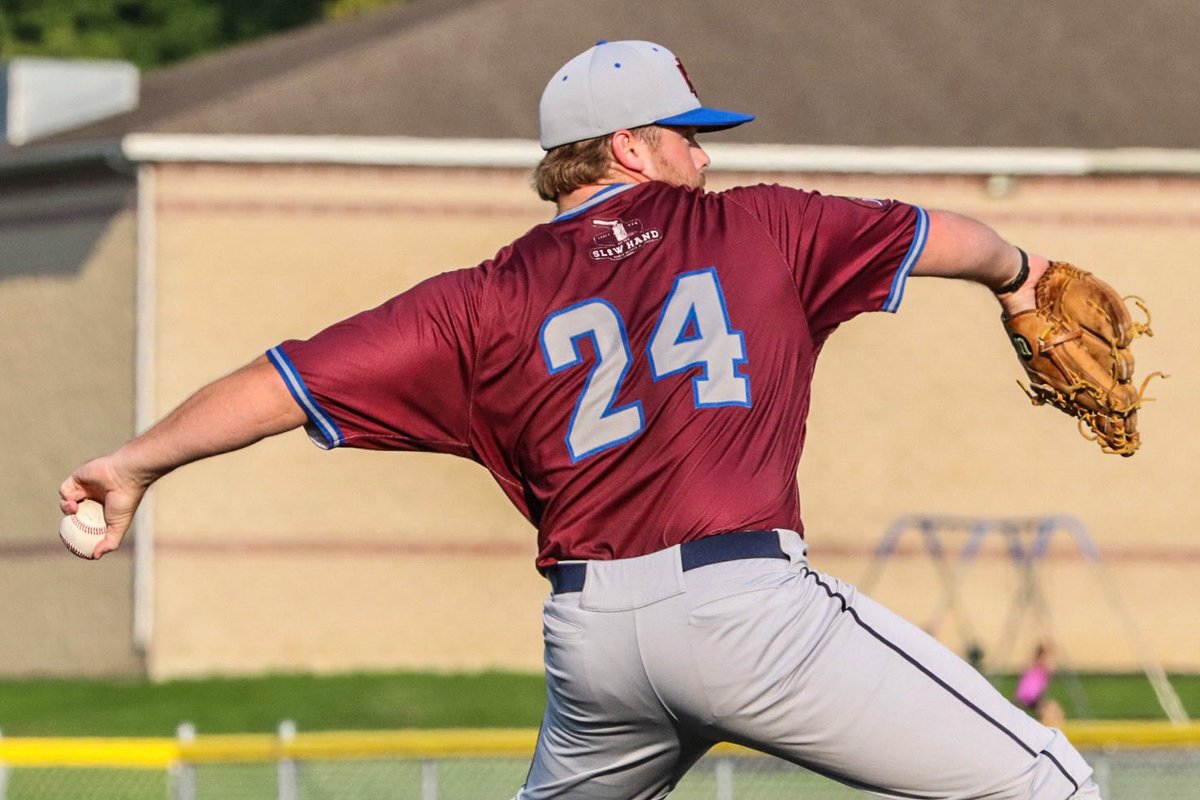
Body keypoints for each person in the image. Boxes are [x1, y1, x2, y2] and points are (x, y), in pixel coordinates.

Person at [61, 40, 1103, 799]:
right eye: (689, 137)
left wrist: (136, 464)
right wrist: (1026, 275)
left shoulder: (477, 299)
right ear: (631, 148)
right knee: (1051, 784)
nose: (706, 157)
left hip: (594, 642)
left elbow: (279, 383)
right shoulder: (762, 225)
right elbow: (950, 238)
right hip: (746, 607)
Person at [1017, 642, 1067, 726]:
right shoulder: (1042, 666)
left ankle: (1051, 724)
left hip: (1026, 696)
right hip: (1031, 696)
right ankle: (1056, 726)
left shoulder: (1032, 665)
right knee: (1052, 709)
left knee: (1050, 708)